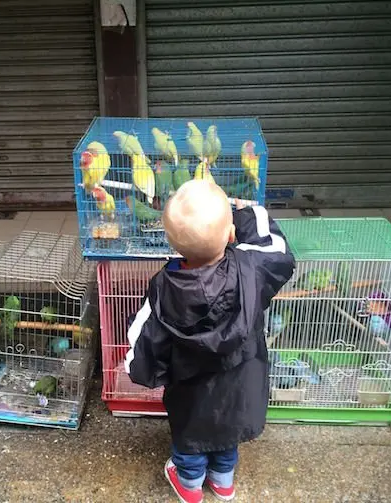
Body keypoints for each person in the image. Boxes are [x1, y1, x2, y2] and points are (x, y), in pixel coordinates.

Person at [124, 180, 295, 503]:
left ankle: (189, 487)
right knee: (226, 436)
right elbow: (277, 249)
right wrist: (248, 212)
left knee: (191, 442)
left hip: (191, 396)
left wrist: (141, 370)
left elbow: (144, 340)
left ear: (173, 246)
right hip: (240, 387)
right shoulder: (252, 269)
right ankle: (223, 483)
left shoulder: (163, 289)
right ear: (231, 235)